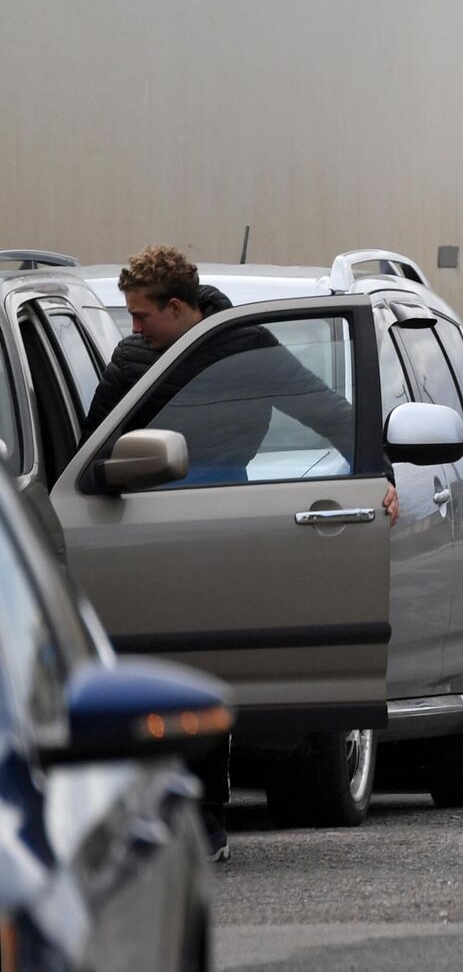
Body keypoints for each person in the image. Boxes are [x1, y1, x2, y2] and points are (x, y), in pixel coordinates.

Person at [83, 246, 397, 861]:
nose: (134, 328)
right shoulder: (130, 358)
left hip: (215, 522)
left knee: (203, 674)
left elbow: (330, 414)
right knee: (138, 673)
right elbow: (92, 444)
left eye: (142, 316)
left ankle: (206, 822)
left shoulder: (247, 351)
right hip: (128, 527)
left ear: (178, 307)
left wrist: (378, 478)